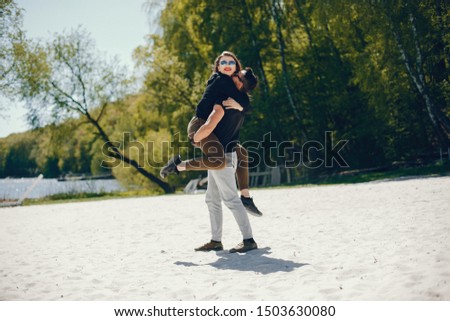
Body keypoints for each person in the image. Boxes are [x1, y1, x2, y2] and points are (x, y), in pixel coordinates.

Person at [160, 51, 262, 216]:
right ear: (218, 67)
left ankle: (246, 197)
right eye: (223, 63)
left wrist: (240, 106)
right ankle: (178, 165)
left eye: (233, 66)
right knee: (219, 161)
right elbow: (246, 101)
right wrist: (241, 105)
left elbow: (246, 101)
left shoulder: (233, 88)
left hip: (212, 128)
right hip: (200, 124)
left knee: (242, 153)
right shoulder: (219, 79)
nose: (231, 70)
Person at [194, 67, 259, 253]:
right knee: (212, 198)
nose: (232, 75)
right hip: (220, 155)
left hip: (223, 156)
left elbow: (211, 123)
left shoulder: (229, 103)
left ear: (240, 83)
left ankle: (249, 240)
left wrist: (196, 138)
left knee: (230, 199)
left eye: (236, 75)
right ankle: (216, 240)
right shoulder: (237, 102)